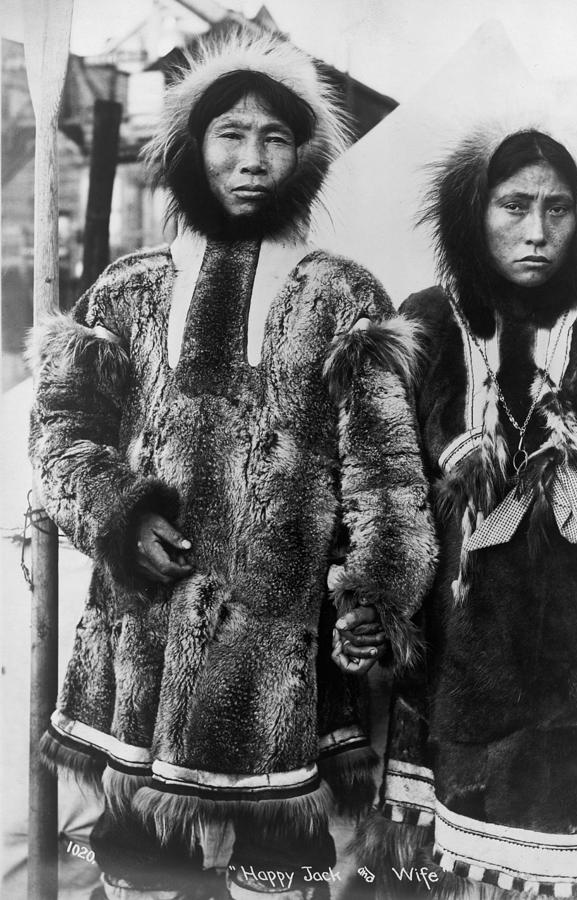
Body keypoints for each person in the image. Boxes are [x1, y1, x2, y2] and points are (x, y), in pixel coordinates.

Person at [29, 31, 436, 894]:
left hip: (282, 658)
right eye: (231, 134)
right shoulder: (127, 288)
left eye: (276, 138)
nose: (253, 159)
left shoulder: (343, 294)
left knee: (276, 869)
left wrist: (374, 595)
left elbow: (385, 473)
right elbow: (60, 435)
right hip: (142, 649)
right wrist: (118, 513)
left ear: (303, 157)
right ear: (189, 147)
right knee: (140, 867)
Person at [356, 122, 577, 899]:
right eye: (512, 206)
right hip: (462, 662)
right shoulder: (425, 326)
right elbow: (382, 485)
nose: (535, 232)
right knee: (455, 870)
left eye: (557, 210)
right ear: (470, 211)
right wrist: (383, 607)